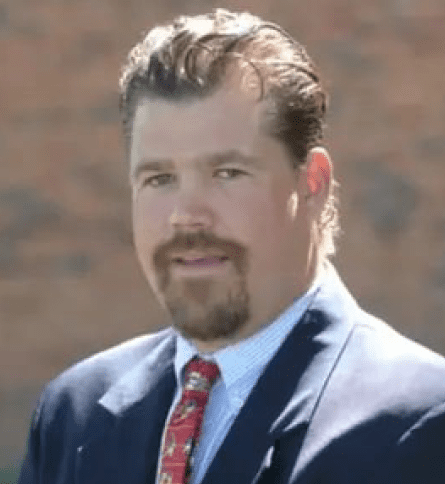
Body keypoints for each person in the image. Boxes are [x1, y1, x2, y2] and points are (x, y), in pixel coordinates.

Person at [18, 8, 445, 484]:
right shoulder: (72, 415)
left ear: (313, 183)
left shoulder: (420, 422)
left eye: (227, 173)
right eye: (159, 178)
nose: (186, 215)